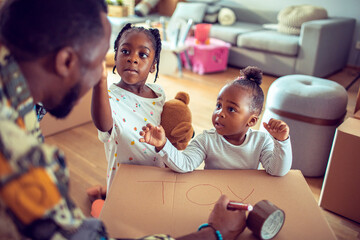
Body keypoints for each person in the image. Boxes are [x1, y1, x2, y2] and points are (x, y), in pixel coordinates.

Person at [0, 0, 246, 239]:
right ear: (66, 61)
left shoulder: (18, 100)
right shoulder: (16, 157)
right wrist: (213, 234)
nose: (130, 60)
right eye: (99, 63)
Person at [140, 66, 292, 176]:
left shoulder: (261, 141)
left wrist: (282, 141)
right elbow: (184, 164)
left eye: (231, 109)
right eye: (218, 105)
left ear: (251, 121)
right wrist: (163, 144)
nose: (220, 113)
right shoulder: (206, 140)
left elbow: (277, 171)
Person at [87, 23, 166, 207]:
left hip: (156, 177)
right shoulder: (109, 99)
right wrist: (100, 82)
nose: (132, 59)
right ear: (115, 57)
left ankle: (102, 193)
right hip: (123, 183)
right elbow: (103, 125)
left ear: (153, 66)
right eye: (125, 51)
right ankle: (100, 200)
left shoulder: (159, 94)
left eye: (143, 54)